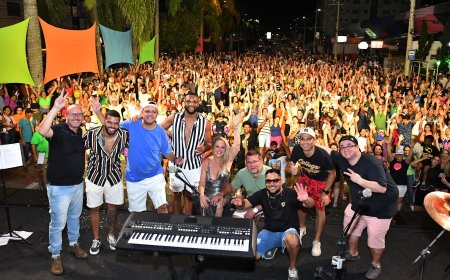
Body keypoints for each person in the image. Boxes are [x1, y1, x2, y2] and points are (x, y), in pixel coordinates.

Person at [318, 135, 398, 280]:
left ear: (357, 147)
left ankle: (376, 264)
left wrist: (360, 180)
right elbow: (328, 150)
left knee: (374, 241)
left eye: (349, 145)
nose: (346, 148)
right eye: (342, 146)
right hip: (359, 204)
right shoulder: (342, 158)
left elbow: (382, 188)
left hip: (380, 209)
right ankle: (352, 252)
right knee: (349, 229)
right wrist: (310, 141)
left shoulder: (372, 163)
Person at [94, 100, 178, 214]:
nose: (150, 114)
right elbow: (110, 125)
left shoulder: (161, 132)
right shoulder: (131, 124)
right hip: (134, 179)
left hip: (155, 177)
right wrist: (98, 111)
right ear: (142, 113)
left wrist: (176, 159)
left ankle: (162, 232)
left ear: (157, 115)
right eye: (147, 111)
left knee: (162, 207)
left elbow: (167, 152)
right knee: (136, 213)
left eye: (153, 112)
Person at [38, 91, 88, 276]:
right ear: (66, 116)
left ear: (83, 117)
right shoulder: (58, 130)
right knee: (58, 223)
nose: (76, 117)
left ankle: (73, 244)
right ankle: (55, 255)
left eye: (79, 114)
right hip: (59, 187)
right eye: (72, 114)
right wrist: (55, 108)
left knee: (74, 218)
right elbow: (42, 131)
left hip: (77, 185)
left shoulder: (80, 132)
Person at [231, 169, 305, 280]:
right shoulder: (262, 193)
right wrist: (240, 203)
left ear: (281, 181)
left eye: (275, 180)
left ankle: (292, 268)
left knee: (292, 240)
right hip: (269, 231)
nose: (272, 184)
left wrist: (307, 199)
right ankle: (272, 246)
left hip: (287, 231)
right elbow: (246, 203)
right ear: (265, 183)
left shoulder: (290, 193)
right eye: (269, 181)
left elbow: (309, 204)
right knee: (253, 256)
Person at [83, 109, 129, 255]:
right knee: (94, 208)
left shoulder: (124, 135)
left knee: (112, 208)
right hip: (94, 176)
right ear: (104, 120)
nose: (112, 125)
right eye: (109, 121)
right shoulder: (91, 134)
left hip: (114, 176)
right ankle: (96, 239)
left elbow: (129, 151)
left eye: (116, 123)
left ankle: (111, 235)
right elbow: (78, 150)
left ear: (119, 124)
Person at [286, 127, 336, 257]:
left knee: (320, 209)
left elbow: (333, 174)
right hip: (305, 177)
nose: (305, 142)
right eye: (302, 139)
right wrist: (292, 170)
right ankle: (302, 227)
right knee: (301, 202)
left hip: (321, 182)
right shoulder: (297, 149)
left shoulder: (323, 155)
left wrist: (325, 192)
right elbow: (290, 166)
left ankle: (316, 241)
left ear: (314, 141)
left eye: (308, 139)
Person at [161, 92, 212, 215]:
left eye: (194, 102)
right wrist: (166, 146)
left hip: (194, 165)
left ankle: (186, 224)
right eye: (188, 101)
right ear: (184, 102)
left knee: (189, 196)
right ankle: (175, 223)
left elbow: (209, 143)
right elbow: (157, 130)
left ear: (198, 103)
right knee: (176, 195)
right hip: (176, 164)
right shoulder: (174, 117)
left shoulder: (205, 122)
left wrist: (204, 148)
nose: (191, 104)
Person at [198, 114, 241, 217]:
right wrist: (202, 196)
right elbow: (202, 182)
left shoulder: (228, 161)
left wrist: (235, 127)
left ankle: (216, 228)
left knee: (219, 204)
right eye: (217, 146)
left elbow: (237, 146)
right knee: (204, 214)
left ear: (225, 149)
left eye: (222, 147)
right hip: (207, 195)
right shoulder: (206, 161)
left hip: (224, 195)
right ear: (213, 148)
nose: (219, 149)